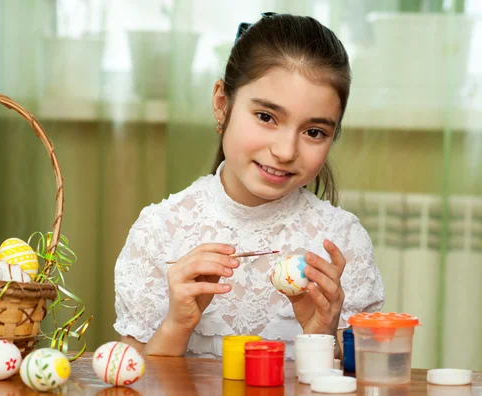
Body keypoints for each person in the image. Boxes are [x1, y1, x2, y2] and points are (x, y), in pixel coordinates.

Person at [113, 12, 385, 360]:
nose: (285, 151)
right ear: (221, 103)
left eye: (314, 132)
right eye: (266, 117)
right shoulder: (158, 233)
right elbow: (130, 380)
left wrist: (323, 336)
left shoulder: (344, 243)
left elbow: (367, 380)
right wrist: (176, 325)